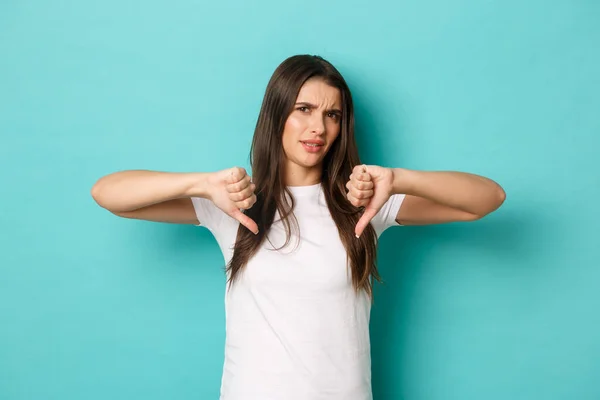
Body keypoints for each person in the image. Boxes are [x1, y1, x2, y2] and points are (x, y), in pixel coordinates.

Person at [91, 54, 506, 400]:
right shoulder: (234, 204)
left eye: (332, 114)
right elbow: (109, 194)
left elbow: (486, 199)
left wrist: (398, 179)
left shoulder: (363, 205)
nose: (318, 128)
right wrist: (200, 184)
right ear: (277, 114)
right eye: (303, 109)